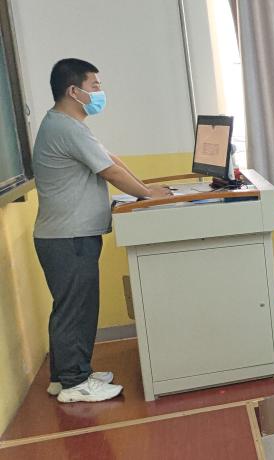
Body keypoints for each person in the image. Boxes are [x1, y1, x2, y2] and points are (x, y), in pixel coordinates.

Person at [34, 58, 171, 403]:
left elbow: (111, 160)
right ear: (73, 91)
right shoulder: (66, 128)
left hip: (67, 235)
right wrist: (146, 194)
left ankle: (65, 375)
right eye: (94, 86)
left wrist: (145, 188)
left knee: (72, 306)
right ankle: (74, 383)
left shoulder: (67, 124)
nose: (100, 92)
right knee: (75, 309)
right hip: (68, 237)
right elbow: (110, 172)